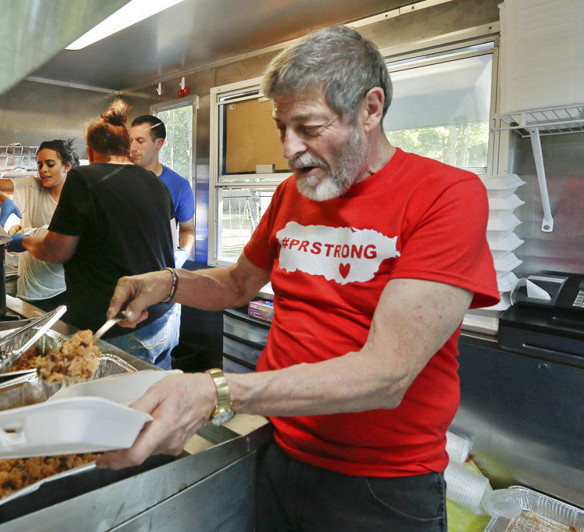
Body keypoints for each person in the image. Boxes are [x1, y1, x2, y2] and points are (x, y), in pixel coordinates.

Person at [97, 25, 499, 532]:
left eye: (308, 128)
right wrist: (168, 281)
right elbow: (239, 284)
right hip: (276, 449)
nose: (289, 149)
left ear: (370, 109)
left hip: (380, 485)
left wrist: (217, 391)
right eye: (281, 127)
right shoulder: (296, 193)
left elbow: (387, 374)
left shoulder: (447, 195)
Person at [17, 100, 180, 369]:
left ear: (90, 151)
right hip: (163, 316)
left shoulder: (83, 178)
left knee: (119, 403)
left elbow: (56, 251)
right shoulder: (155, 182)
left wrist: (23, 241)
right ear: (127, 148)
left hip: (123, 324)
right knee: (156, 398)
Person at [0, 140, 78, 312]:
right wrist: (4, 200)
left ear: (66, 166)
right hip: (31, 290)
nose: (43, 170)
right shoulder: (32, 186)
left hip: (65, 288)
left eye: (50, 164)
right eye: (40, 165)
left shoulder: (76, 198)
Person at [130, 115, 195, 268]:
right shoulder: (117, 180)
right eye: (130, 140)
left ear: (158, 143)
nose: (133, 147)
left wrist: (182, 253)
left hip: (159, 271)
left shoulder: (179, 186)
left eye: (140, 141)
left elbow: (188, 230)